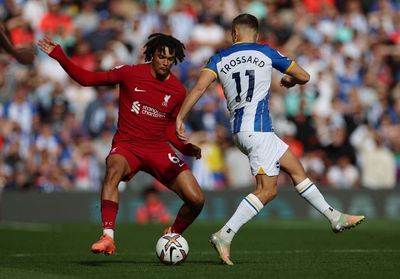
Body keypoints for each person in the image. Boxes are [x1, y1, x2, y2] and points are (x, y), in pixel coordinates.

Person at [176, 14, 365, 265]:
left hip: (243, 130)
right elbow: (305, 76)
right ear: (256, 35)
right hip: (258, 130)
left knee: (297, 170)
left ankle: (334, 217)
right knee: (267, 190)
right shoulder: (264, 51)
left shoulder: (219, 58)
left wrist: (180, 116)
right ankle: (225, 234)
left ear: (233, 34)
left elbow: (199, 88)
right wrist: (290, 79)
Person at [38, 33, 205, 255]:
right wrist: (60, 55)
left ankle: (173, 232)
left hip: (157, 148)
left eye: (170, 59)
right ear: (151, 55)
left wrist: (185, 148)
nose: (165, 62)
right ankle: (108, 236)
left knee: (197, 200)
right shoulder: (130, 73)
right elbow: (87, 79)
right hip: (128, 145)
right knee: (113, 168)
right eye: (161, 56)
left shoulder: (177, 90)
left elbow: (167, 128)